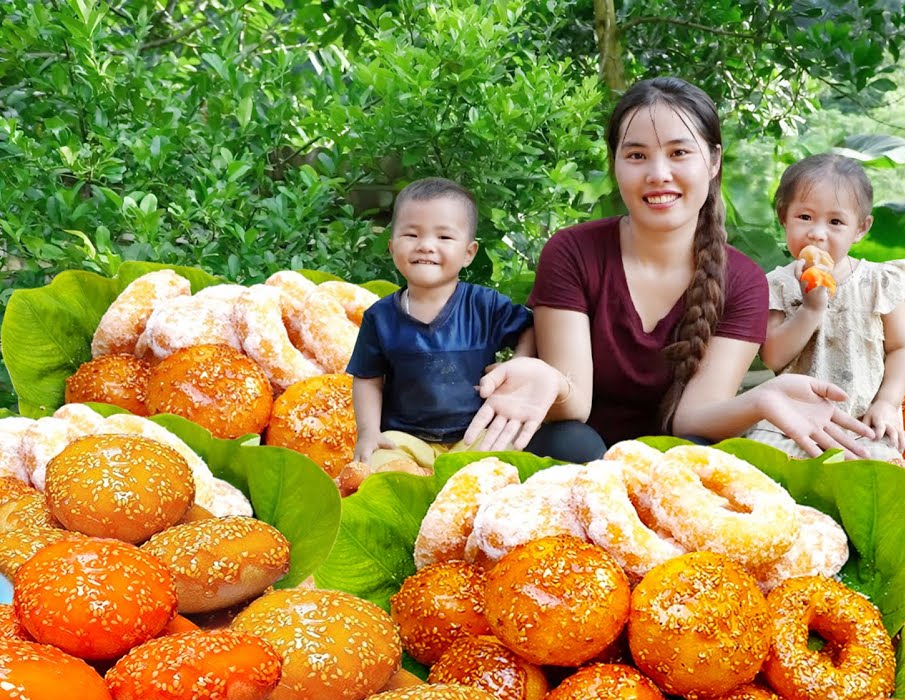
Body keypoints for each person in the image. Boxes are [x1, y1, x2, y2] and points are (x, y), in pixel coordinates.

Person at [462, 77, 876, 462]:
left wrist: (763, 398)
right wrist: (545, 377)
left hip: (671, 475)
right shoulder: (573, 252)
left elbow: (691, 420)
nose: (658, 175)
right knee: (574, 439)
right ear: (616, 163)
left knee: (690, 453)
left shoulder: (743, 280)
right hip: (573, 461)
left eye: (679, 153)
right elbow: (577, 402)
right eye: (637, 155)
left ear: (713, 161)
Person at [348, 178, 534, 464]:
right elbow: (367, 379)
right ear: (391, 246)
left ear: (469, 253)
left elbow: (530, 329)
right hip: (406, 437)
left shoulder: (484, 305)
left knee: (506, 453)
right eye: (411, 235)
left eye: (444, 237)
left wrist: (517, 366)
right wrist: (369, 431)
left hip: (475, 433)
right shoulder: (380, 317)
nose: (425, 246)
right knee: (379, 463)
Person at [745, 154, 905, 460]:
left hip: (861, 422)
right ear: (784, 217)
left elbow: (901, 348)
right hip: (791, 421)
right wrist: (811, 308)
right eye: (805, 217)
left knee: (879, 468)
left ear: (861, 228)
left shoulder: (879, 281)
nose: (817, 233)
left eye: (835, 222)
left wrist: (888, 404)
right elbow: (773, 356)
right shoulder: (779, 284)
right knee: (760, 458)